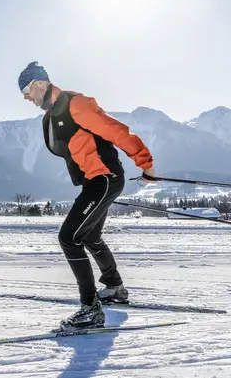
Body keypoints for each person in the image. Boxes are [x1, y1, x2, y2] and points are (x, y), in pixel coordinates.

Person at [18, 61, 156, 330]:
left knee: (69, 238)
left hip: (103, 179)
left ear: (41, 84)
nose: (25, 97)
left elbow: (117, 132)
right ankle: (114, 287)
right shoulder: (54, 113)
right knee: (89, 236)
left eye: (26, 89)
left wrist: (146, 165)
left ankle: (90, 309)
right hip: (97, 181)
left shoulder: (75, 105)